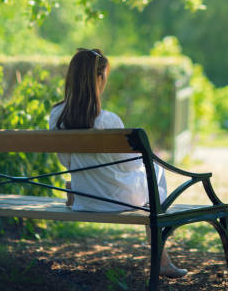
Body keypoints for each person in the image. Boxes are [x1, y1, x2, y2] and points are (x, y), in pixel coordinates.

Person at [49, 48, 187, 278]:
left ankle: (74, 189)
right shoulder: (107, 119)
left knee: (149, 175)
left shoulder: (56, 115)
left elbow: (65, 160)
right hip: (115, 200)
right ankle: (161, 256)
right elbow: (130, 166)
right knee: (155, 170)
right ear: (99, 78)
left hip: (86, 199)